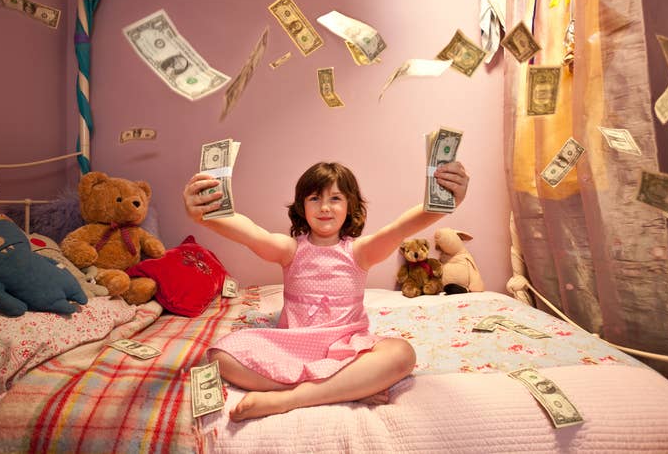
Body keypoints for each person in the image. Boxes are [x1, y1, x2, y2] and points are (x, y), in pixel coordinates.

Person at [183, 160, 469, 421]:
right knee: (221, 355)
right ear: (301, 207)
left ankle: (291, 399)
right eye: (314, 198)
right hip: (295, 346)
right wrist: (205, 216)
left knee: (402, 353)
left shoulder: (359, 251)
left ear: (351, 206)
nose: (325, 207)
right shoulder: (290, 249)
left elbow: (398, 228)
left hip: (346, 349)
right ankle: (347, 388)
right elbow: (251, 233)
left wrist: (443, 203)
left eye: (335, 198)